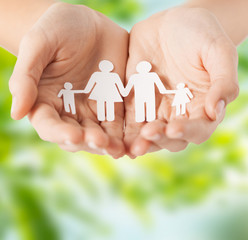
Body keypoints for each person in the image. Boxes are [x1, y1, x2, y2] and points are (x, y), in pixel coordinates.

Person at [0, 0, 246, 158]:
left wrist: (208, 22)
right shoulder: (136, 78)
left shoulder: (147, 77)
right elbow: (112, 85)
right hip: (104, 101)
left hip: (152, 96)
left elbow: (139, 85)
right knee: (113, 110)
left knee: (146, 109)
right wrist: (35, 27)